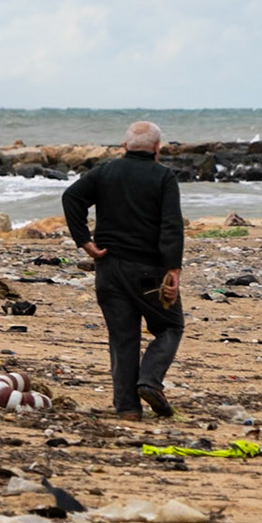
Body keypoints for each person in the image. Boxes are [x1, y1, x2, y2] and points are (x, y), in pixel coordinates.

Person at [61, 120, 184, 418]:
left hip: (109, 269)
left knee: (123, 337)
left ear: (125, 147)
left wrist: (85, 242)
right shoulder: (163, 177)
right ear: (157, 149)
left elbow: (71, 197)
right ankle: (150, 381)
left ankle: (128, 408)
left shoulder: (105, 171)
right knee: (170, 326)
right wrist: (173, 270)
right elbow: (171, 225)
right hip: (149, 272)